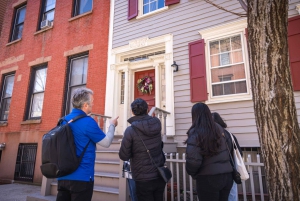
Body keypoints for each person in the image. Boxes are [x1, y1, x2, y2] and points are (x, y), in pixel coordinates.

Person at [56, 88, 118, 201]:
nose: (93, 104)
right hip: (82, 179)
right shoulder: (88, 122)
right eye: (92, 101)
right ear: (85, 105)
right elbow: (106, 142)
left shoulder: (63, 120)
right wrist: (112, 125)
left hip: (62, 177)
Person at [119, 98, 166, 201]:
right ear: (147, 110)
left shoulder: (130, 130)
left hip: (142, 178)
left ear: (132, 112)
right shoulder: (157, 123)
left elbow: (124, 155)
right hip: (159, 175)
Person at [185, 103, 233, 201]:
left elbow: (193, 160)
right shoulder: (221, 129)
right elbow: (230, 149)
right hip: (227, 176)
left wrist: (193, 173)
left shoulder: (196, 132)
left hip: (207, 178)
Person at [212, 112, 243, 201]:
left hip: (214, 174)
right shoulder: (230, 135)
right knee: (231, 195)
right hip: (231, 170)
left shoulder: (209, 137)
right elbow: (239, 153)